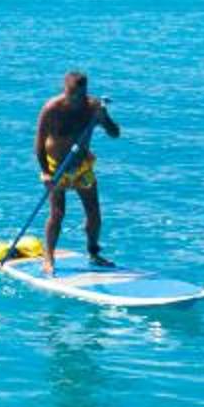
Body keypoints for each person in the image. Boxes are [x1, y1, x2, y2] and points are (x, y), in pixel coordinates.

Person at [34, 70, 123, 270]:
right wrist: (45, 172)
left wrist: (104, 119)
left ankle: (94, 253)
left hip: (82, 166)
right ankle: (49, 257)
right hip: (56, 168)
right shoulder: (51, 109)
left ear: (85, 91)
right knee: (57, 213)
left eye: (80, 95)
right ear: (65, 90)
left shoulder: (93, 107)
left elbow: (115, 133)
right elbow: (39, 144)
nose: (76, 99)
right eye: (72, 94)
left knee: (94, 212)